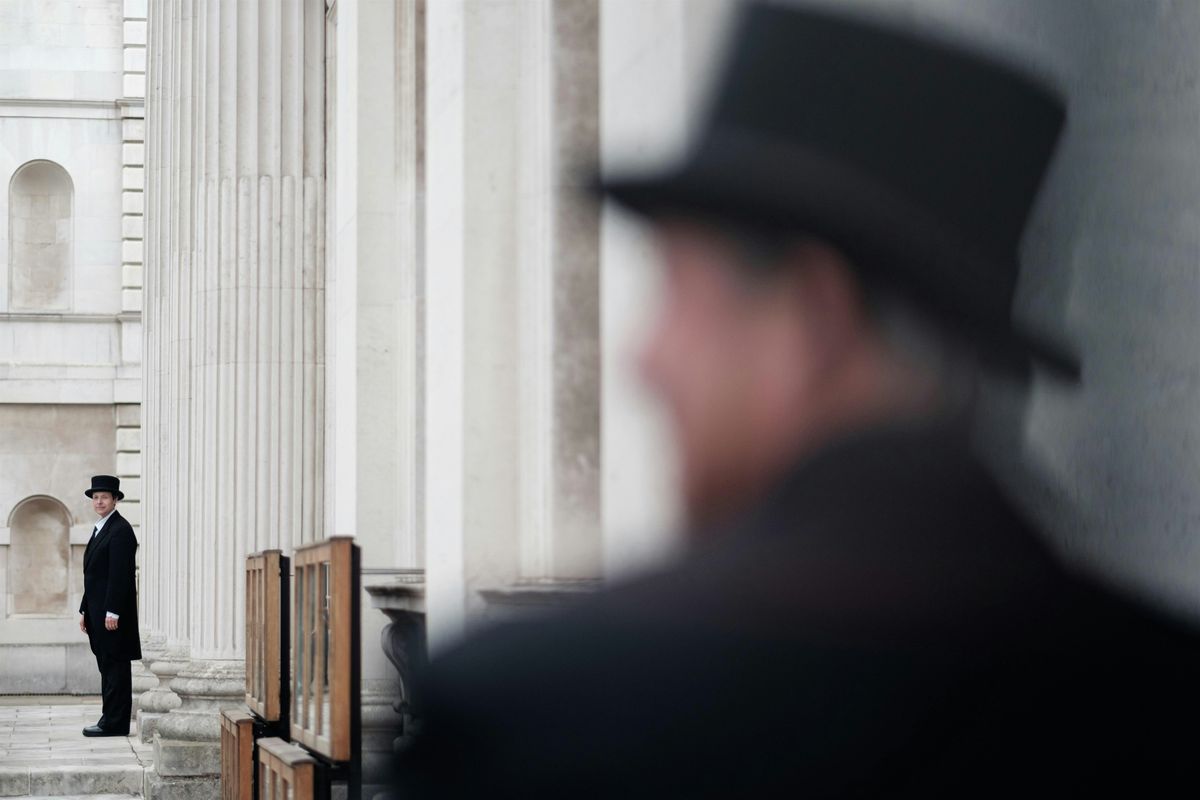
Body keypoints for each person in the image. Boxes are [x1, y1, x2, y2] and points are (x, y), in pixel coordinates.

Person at [394, 3, 1200, 795]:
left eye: (677, 291)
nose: (646, 358)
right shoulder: (1164, 703)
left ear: (812, 322)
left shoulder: (538, 713)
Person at [79, 474, 141, 737]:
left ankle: (114, 723)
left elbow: (120, 576)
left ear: (115, 500)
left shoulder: (120, 530)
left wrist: (112, 611)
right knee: (107, 666)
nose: (99, 501)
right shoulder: (101, 528)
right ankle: (110, 719)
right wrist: (84, 609)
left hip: (111, 615)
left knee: (115, 668)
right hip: (97, 612)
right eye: (95, 497)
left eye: (104, 497)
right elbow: (94, 576)